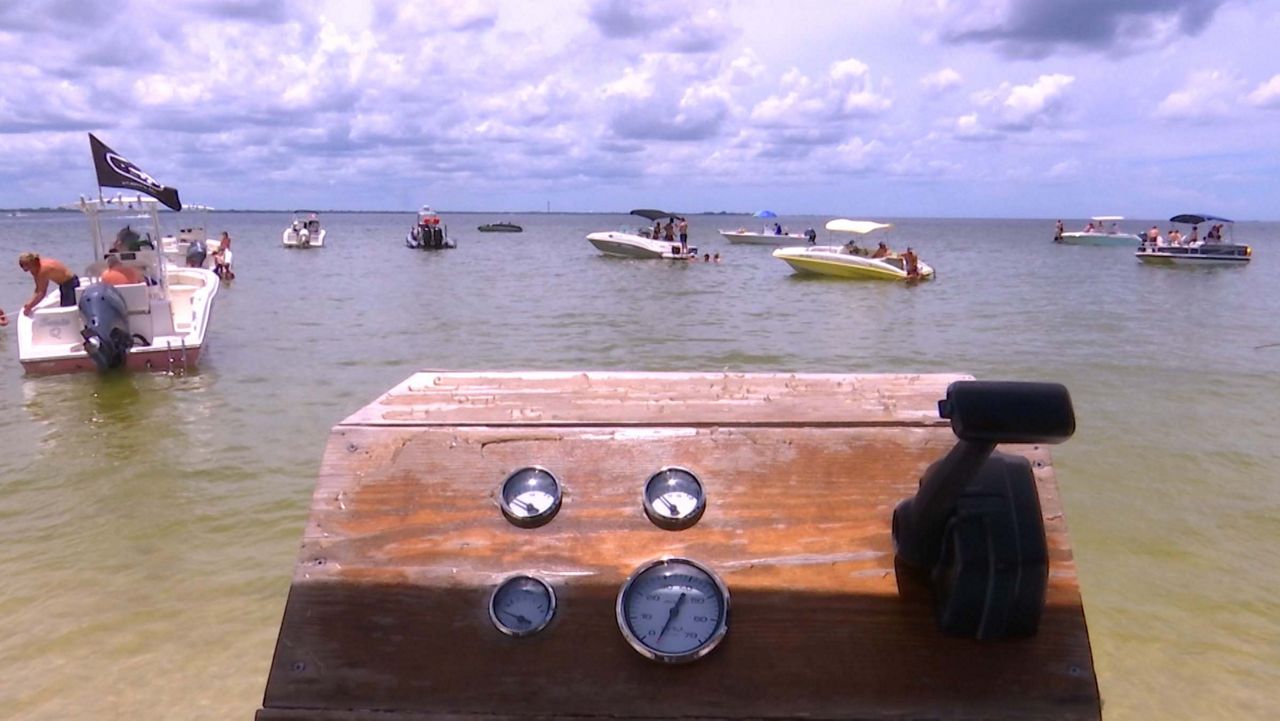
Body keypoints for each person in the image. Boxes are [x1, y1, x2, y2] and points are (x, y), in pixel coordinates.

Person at [19, 252, 79, 316]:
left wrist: (29, 306)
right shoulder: (36, 266)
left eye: (25, 265)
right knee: (65, 307)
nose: (23, 268)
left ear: (31, 263)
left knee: (67, 311)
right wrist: (30, 303)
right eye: (21, 265)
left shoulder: (42, 270)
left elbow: (41, 292)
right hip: (65, 283)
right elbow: (38, 288)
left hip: (70, 283)